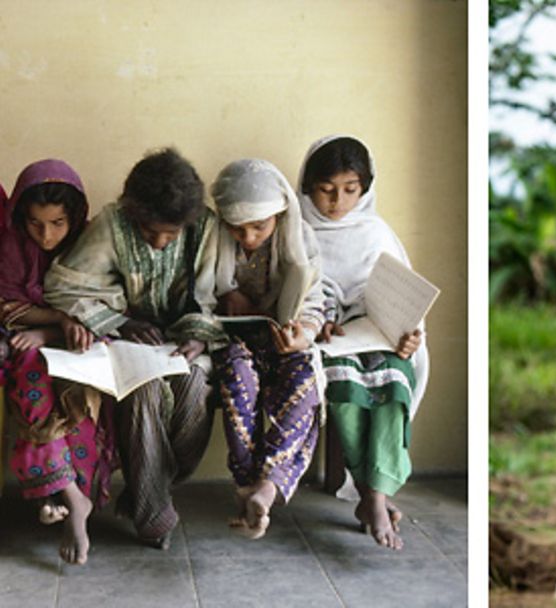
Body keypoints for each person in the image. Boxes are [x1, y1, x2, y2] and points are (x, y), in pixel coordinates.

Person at [45, 148, 223, 550]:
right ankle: (152, 515)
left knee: (195, 392)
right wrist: (121, 322)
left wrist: (198, 334)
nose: (160, 242)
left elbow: (212, 295)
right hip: (125, 344)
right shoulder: (113, 223)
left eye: (170, 234)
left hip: (184, 345)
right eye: (149, 231)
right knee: (141, 395)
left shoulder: (204, 228)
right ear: (133, 212)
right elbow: (64, 285)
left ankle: (149, 488)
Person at [297, 135, 429, 550]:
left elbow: (405, 293)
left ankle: (375, 493)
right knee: (345, 383)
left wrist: (408, 334)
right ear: (307, 186)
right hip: (330, 338)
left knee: (393, 380)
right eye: (326, 190)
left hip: (379, 334)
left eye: (350, 190)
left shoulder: (376, 232)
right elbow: (293, 292)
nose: (338, 202)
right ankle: (371, 492)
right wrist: (315, 319)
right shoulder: (297, 233)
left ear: (365, 188)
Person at [0, 159, 112, 565]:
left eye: (57, 223)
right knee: (31, 376)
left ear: (76, 217)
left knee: (78, 395)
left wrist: (54, 331)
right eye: (35, 223)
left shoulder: (92, 244)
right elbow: (7, 306)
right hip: (31, 343)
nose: (45, 236)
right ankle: (69, 497)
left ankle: (62, 493)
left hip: (80, 346)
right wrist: (57, 321)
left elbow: (103, 309)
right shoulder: (14, 245)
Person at [208, 158, 327, 539]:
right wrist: (226, 293)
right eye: (237, 229)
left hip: (284, 343)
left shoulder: (300, 238)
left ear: (280, 214)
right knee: (237, 376)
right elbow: (196, 293)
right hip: (233, 343)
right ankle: (247, 484)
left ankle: (267, 485)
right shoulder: (212, 239)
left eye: (259, 226)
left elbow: (315, 302)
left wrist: (302, 334)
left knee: (305, 381)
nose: (248, 237)